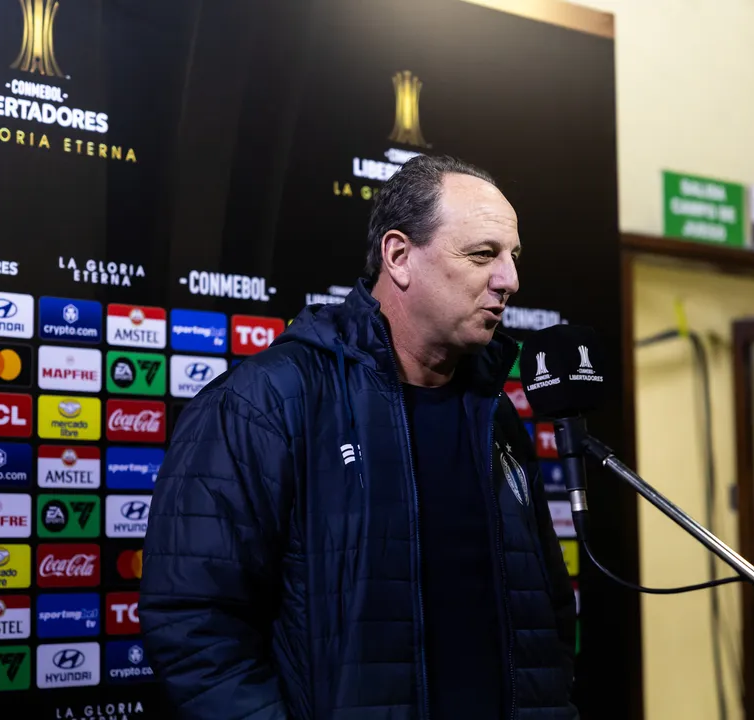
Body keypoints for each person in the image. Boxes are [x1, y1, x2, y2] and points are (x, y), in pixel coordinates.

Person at [139, 154, 578, 719]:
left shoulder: (494, 415)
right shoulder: (266, 401)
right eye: (482, 254)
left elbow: (545, 612)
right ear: (398, 257)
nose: (509, 280)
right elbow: (192, 621)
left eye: (513, 257)